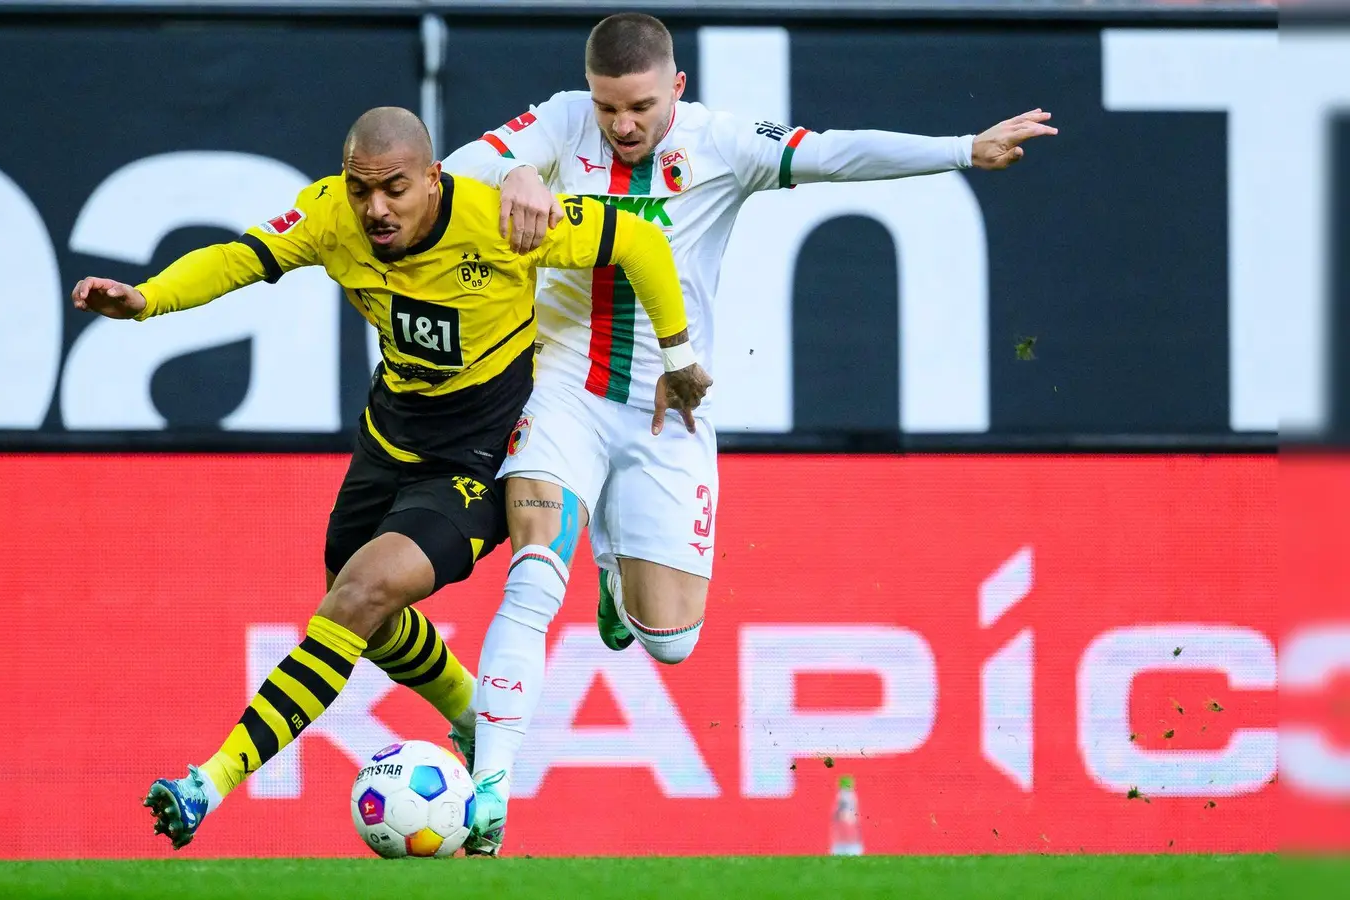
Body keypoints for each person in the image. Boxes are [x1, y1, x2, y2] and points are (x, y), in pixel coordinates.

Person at [440, 13, 1059, 855]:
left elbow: (838, 152)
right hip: (559, 392)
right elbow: (444, 178)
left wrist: (961, 147)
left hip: (668, 408)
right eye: (608, 107)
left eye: (640, 108)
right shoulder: (559, 119)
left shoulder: (724, 144)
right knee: (535, 570)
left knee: (673, 642)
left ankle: (618, 576)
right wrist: (513, 171)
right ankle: (492, 787)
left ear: (677, 89)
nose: (622, 125)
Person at [70, 106, 708, 850]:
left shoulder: (498, 219)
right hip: (386, 441)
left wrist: (677, 353)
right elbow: (239, 257)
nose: (375, 208)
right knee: (361, 618)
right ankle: (471, 719)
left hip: (475, 460)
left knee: (359, 595)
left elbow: (637, 238)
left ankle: (207, 781)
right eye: (360, 188)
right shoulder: (328, 214)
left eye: (395, 189)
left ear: (435, 180)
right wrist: (148, 301)